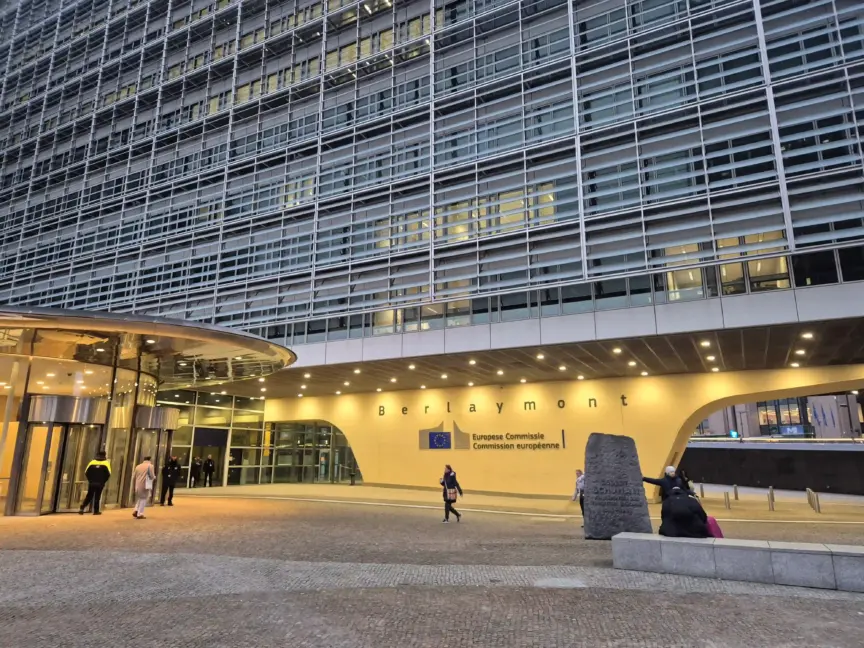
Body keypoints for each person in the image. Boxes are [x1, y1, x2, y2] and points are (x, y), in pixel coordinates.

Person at [79, 451, 111, 515]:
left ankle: (82, 507)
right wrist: (103, 481)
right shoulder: (106, 463)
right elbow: (108, 474)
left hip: (92, 483)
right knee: (97, 496)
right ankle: (96, 511)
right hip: (100, 483)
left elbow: (86, 472)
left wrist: (90, 480)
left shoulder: (92, 462)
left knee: (89, 496)